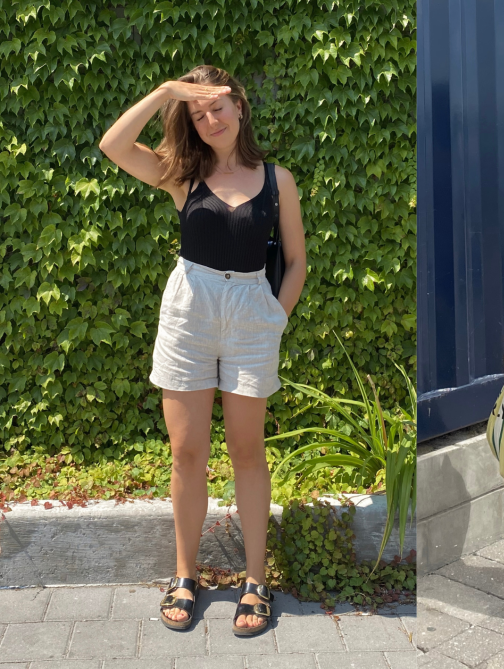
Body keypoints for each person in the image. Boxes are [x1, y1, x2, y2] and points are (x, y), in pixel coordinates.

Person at [99, 65, 307, 637]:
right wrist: (167, 92)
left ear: (240, 106)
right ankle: (185, 576)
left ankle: (256, 581)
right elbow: (113, 145)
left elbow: (296, 261)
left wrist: (273, 321)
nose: (210, 119)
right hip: (189, 312)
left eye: (218, 106)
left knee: (247, 449)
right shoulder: (180, 176)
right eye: (198, 112)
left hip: (250, 316)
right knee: (187, 452)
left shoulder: (277, 180)